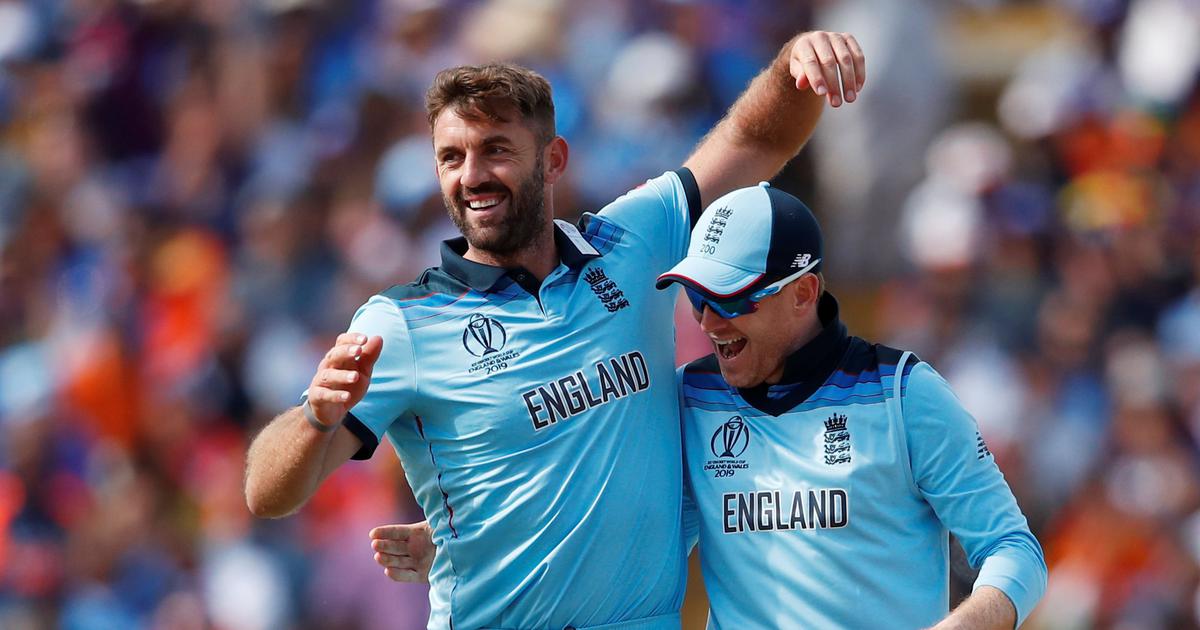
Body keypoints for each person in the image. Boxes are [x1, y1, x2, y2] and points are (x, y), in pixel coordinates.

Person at [244, 31, 867, 630]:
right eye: (451, 157)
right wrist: (316, 421)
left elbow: (754, 138)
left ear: (554, 160)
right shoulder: (404, 323)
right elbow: (266, 494)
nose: (472, 175)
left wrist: (795, 64)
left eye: (496, 149)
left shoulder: (631, 241)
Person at [374, 184, 1048, 629]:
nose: (710, 320)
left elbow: (1014, 550)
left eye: (733, 299)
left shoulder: (906, 393)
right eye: (699, 297)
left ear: (804, 293)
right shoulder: (694, 398)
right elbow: (630, 525)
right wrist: (483, 545)